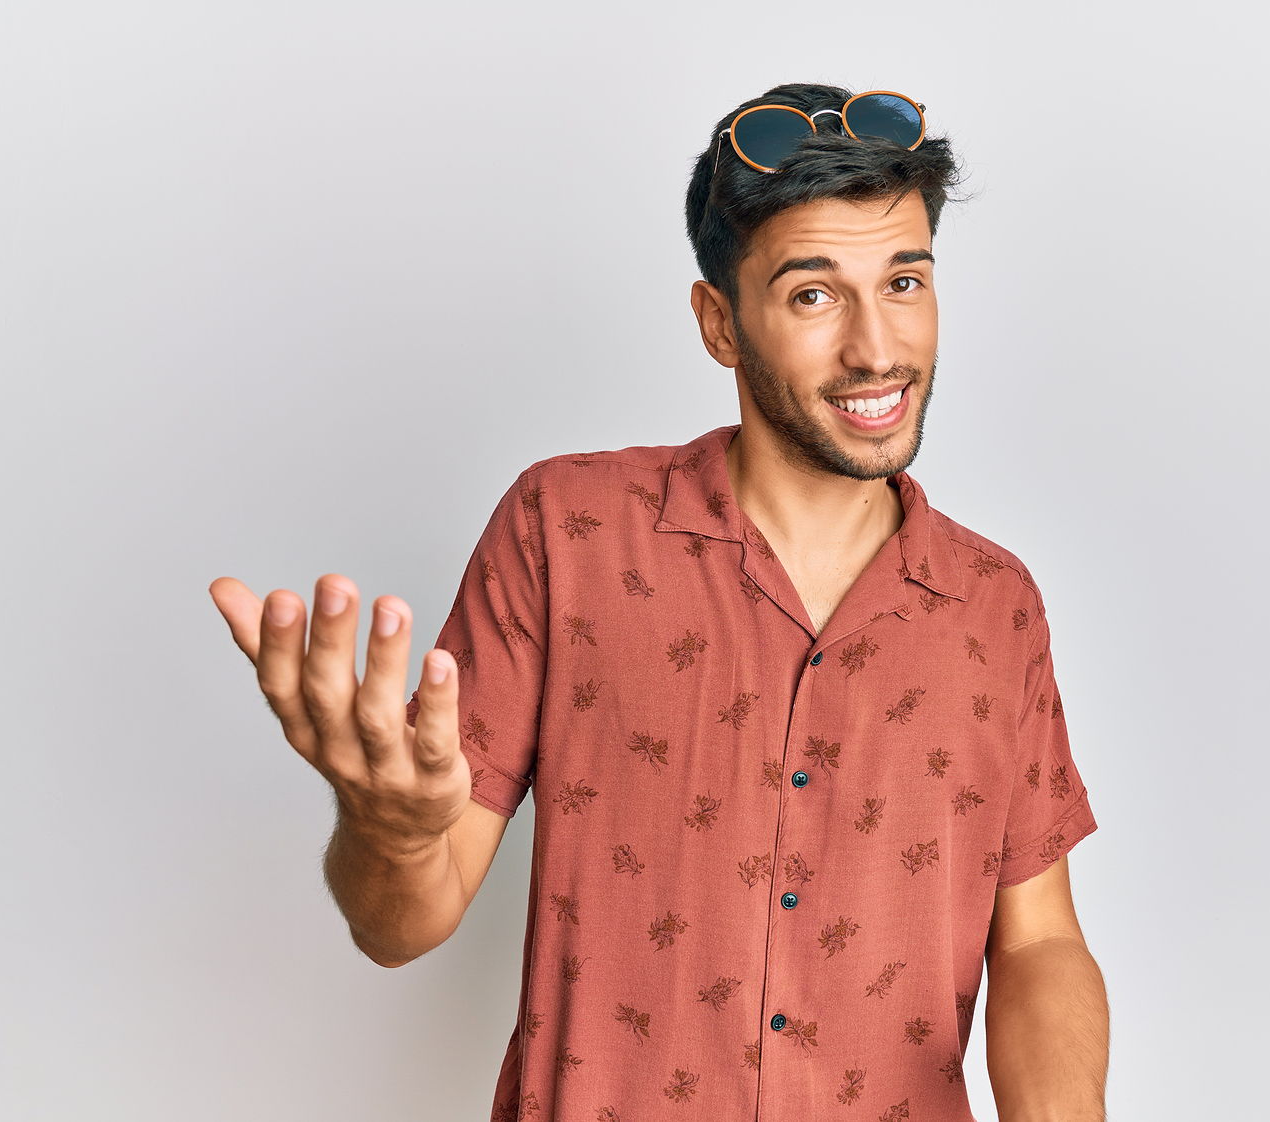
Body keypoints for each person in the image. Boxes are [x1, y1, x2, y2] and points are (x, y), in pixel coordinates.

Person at [211, 81, 1108, 1122]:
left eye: (904, 281)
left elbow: (1040, 938)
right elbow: (398, 924)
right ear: (719, 323)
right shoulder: (568, 532)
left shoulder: (995, 605)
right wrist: (393, 831)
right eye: (813, 294)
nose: (876, 347)